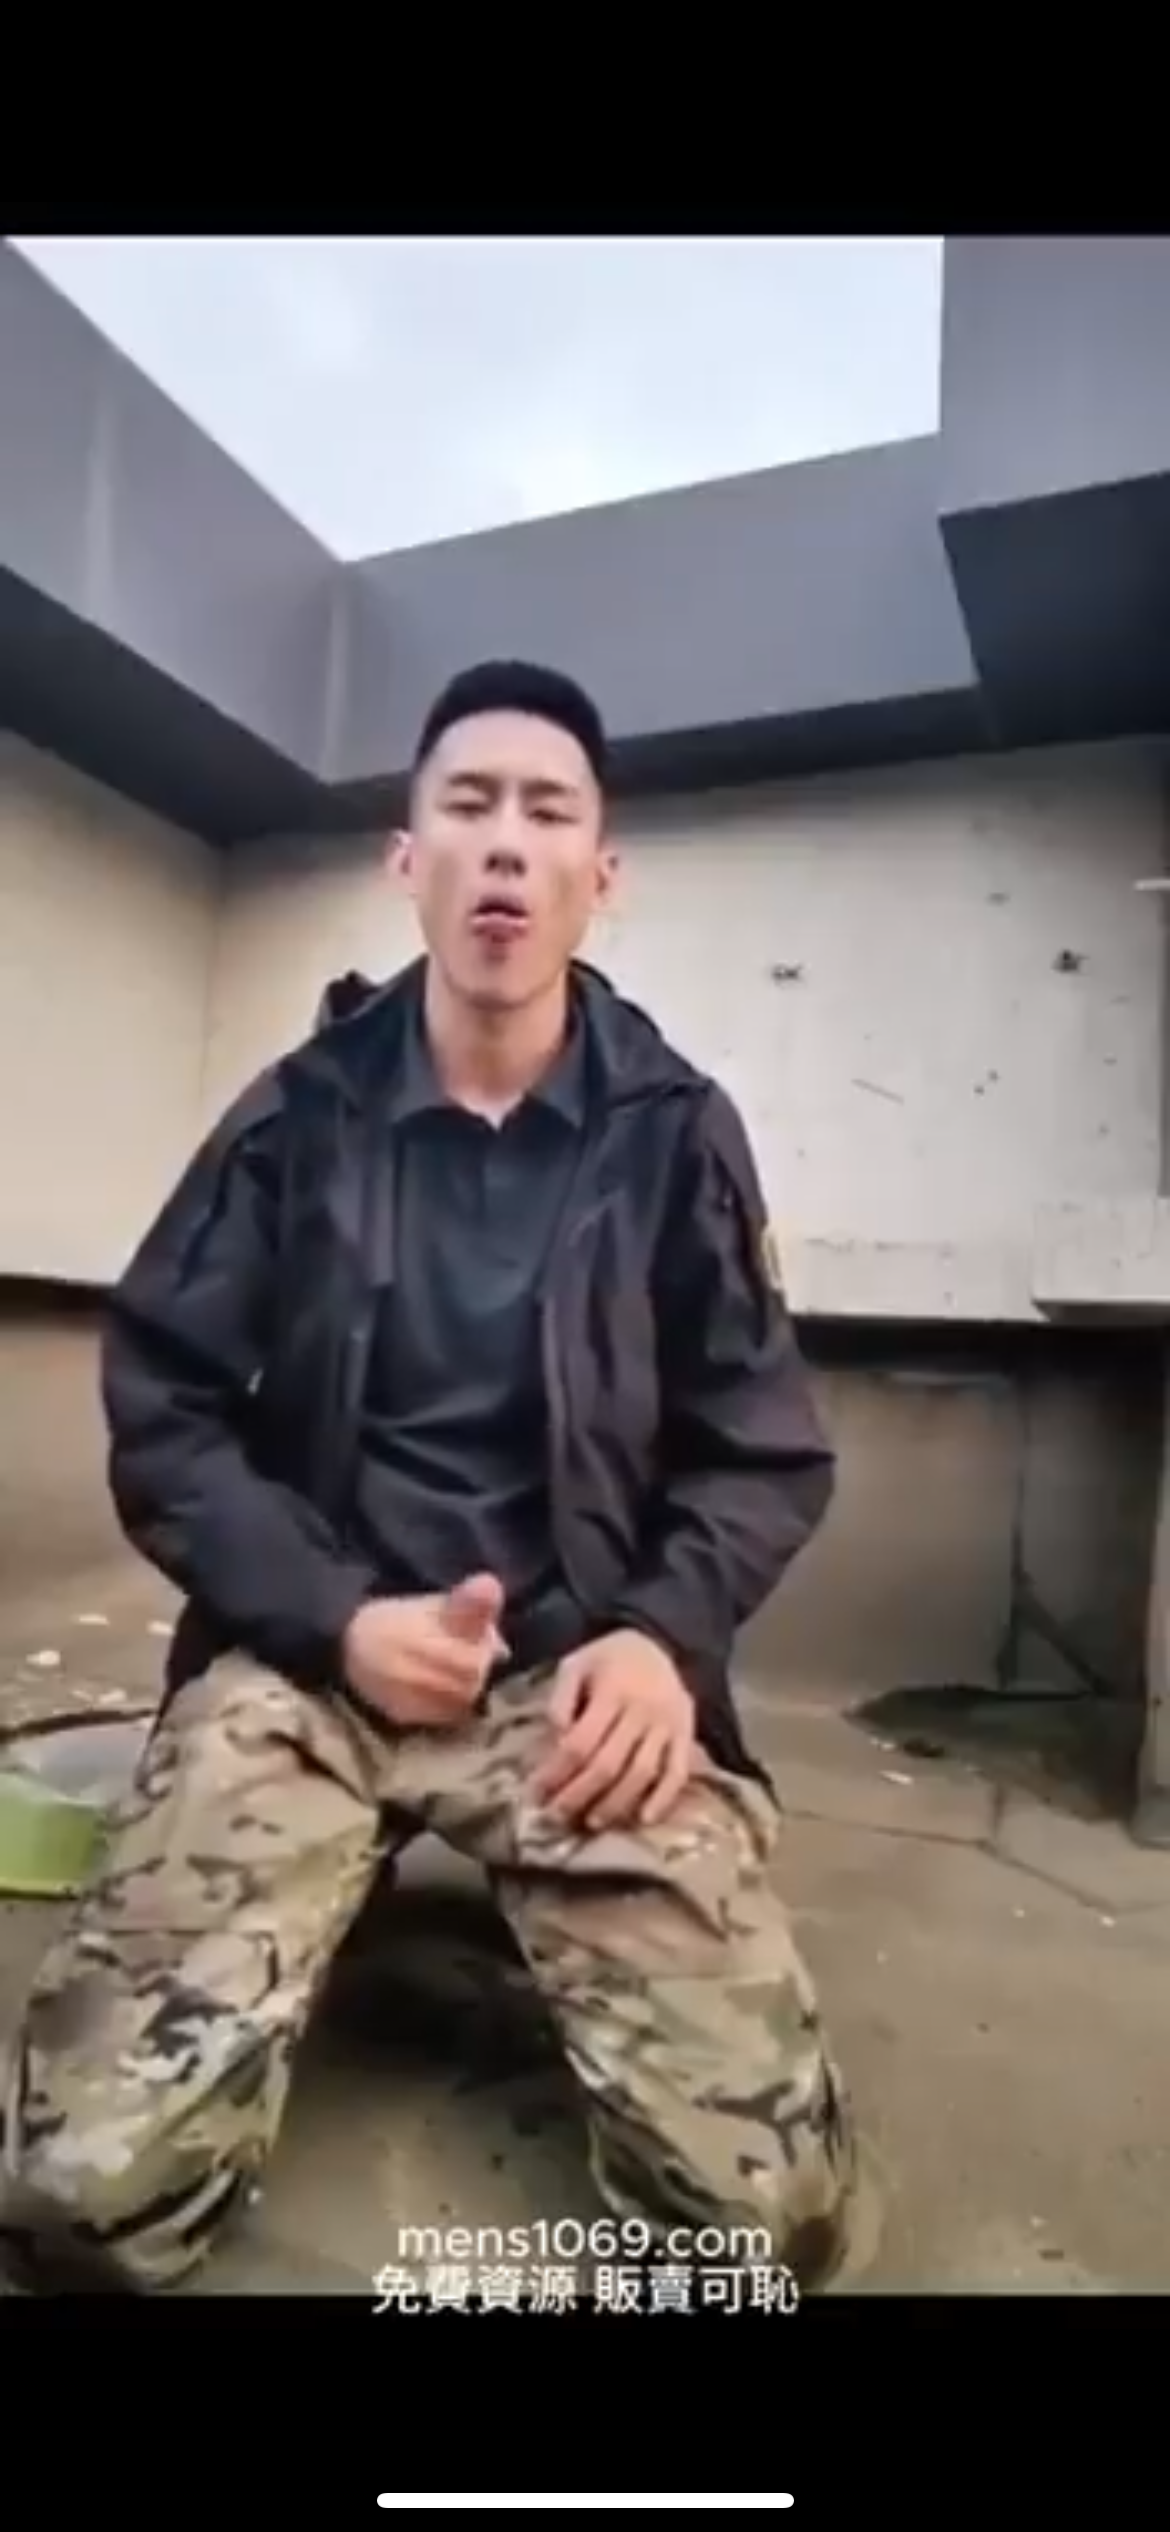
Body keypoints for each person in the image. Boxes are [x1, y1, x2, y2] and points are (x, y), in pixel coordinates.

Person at [0, 659, 860, 2295]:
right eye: (467, 806)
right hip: (316, 1665)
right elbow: (166, 1405)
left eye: (547, 813)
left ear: (600, 873)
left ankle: (535, 1899)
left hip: (575, 1681)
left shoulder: (672, 1133)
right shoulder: (299, 1118)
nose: (505, 845)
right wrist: (331, 1615)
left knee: (760, 2233)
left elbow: (760, 1444)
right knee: (77, 2209)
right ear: (409, 857)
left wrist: (662, 1638)